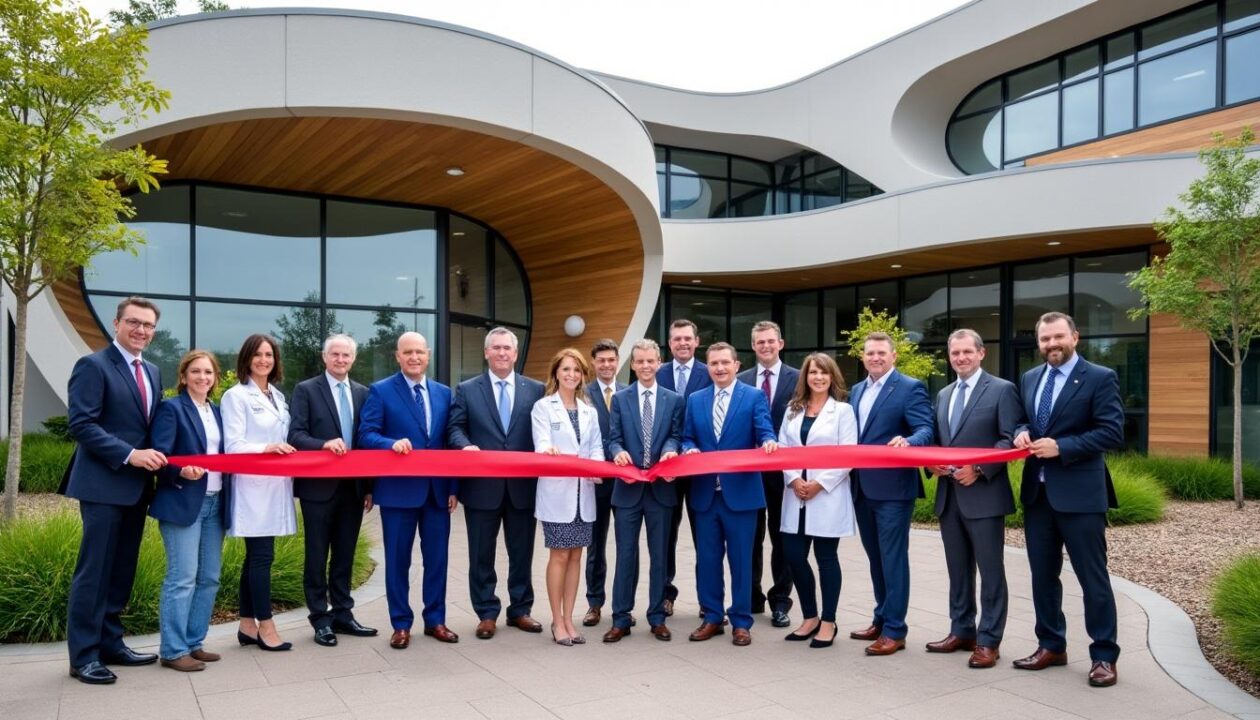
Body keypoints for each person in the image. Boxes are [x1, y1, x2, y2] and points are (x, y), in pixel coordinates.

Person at [1012, 312, 1125, 687]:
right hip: (1038, 494)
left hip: (1080, 494)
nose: (1051, 345)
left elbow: (1111, 431)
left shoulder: (1099, 377)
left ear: (1074, 336)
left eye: (1058, 337)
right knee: (1043, 576)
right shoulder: (1030, 378)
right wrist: (1021, 432)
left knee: (1093, 579)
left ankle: (1104, 655)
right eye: (1045, 339)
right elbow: (1022, 420)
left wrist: (1062, 447)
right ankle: (1051, 645)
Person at [63, 296, 166, 684]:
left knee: (121, 570)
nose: (141, 330)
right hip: (103, 485)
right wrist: (130, 456)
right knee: (94, 572)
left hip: (137, 490)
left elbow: (150, 425)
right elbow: (82, 425)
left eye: (148, 325)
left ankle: (111, 644)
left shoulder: (153, 371)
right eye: (134, 323)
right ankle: (84, 656)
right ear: (116, 323)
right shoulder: (92, 365)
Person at [924, 329, 1021, 669]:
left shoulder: (1002, 390)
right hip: (949, 497)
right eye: (955, 353)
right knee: (958, 571)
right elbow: (938, 439)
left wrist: (979, 468)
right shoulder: (944, 394)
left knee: (991, 572)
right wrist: (929, 461)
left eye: (967, 352)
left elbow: (1010, 439)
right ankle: (961, 630)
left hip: (984, 496)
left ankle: (989, 640)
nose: (961, 358)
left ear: (981, 353)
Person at [358, 332, 459, 648]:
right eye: (408, 352)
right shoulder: (382, 391)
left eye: (419, 352)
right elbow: (366, 434)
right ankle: (401, 624)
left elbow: (448, 442)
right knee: (398, 561)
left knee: (438, 560)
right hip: (398, 492)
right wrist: (390, 444)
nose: (414, 357)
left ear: (428, 355)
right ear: (397, 357)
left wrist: (453, 487)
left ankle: (436, 620)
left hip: (437, 492)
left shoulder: (444, 393)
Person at [448, 326, 547, 639]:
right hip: (482, 489)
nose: (502, 353)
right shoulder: (467, 389)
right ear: (486, 352)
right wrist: (465, 446)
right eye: (497, 348)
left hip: (522, 489)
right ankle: (486, 612)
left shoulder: (536, 389)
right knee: (481, 555)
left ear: (515, 354)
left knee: (522, 553)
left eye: (507, 348)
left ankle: (520, 610)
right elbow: (455, 429)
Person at [681, 342, 777, 646]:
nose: (720, 368)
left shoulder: (753, 396)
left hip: (742, 496)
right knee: (707, 559)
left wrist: (769, 443)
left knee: (741, 561)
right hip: (705, 495)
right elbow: (686, 437)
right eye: (714, 364)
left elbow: (765, 432)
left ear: (736, 365)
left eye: (725, 363)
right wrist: (688, 449)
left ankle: (741, 621)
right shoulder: (695, 400)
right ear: (707, 367)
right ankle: (711, 617)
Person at [287, 334, 377, 647]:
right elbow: (295, 434)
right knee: (316, 555)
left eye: (346, 355)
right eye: (335, 355)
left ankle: (343, 613)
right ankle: (320, 619)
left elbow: (367, 441)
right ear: (325, 357)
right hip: (318, 488)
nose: (340, 360)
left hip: (352, 489)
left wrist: (369, 487)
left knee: (344, 555)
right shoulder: (306, 390)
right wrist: (323, 445)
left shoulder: (364, 393)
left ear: (353, 359)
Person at [848, 331, 934, 656]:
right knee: (875, 558)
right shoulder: (856, 391)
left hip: (894, 490)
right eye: (870, 353)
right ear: (863, 357)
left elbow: (926, 429)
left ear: (893, 356)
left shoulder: (910, 388)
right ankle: (881, 617)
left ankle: (896, 630)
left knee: (893, 558)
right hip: (862, 487)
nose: (876, 358)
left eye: (882, 353)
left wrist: (909, 442)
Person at [150, 350, 230, 672]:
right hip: (182, 501)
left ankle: (194, 643)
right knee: (182, 578)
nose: (202, 378)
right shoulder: (171, 409)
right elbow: (159, 456)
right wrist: (179, 471)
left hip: (215, 501)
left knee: (209, 578)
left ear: (215, 378)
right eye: (195, 372)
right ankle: (172, 650)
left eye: (208, 373)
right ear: (183, 376)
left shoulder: (217, 411)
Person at [603, 339, 684, 643]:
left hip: (661, 491)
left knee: (659, 557)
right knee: (626, 555)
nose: (646, 366)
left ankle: (657, 617)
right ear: (633, 364)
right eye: (640, 361)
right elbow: (612, 439)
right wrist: (618, 452)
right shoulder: (621, 399)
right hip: (627, 491)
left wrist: (670, 451)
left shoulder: (674, 400)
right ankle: (621, 617)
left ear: (659, 363)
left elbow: (676, 436)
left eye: (651, 361)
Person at [221, 333, 297, 652]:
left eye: (269, 354)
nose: (264, 360)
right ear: (246, 359)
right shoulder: (235, 396)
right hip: (252, 488)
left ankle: (246, 625)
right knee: (262, 557)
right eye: (258, 355)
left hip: (276, 486)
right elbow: (233, 445)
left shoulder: (277, 397)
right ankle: (266, 626)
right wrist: (268, 447)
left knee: (257, 557)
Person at [777, 353, 857, 650]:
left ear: (831, 376)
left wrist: (820, 484)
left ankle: (828, 621)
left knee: (826, 560)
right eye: (813, 373)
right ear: (805, 377)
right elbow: (783, 448)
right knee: (794, 556)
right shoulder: (792, 410)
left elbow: (849, 454)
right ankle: (809, 616)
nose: (818, 377)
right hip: (796, 493)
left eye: (824, 373)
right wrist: (795, 479)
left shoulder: (844, 411)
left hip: (827, 496)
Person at [530, 348, 604, 645]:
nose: (571, 375)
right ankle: (556, 621)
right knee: (559, 555)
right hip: (557, 494)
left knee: (577, 557)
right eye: (566, 369)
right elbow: (541, 444)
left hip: (583, 493)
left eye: (577, 370)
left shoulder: (590, 410)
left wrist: (597, 468)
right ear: (556, 373)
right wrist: (549, 452)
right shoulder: (543, 407)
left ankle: (570, 619)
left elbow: (596, 448)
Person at [737, 320, 799, 628]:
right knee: (750, 538)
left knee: (781, 537)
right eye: (760, 342)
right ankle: (751, 597)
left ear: (781, 343)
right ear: (753, 346)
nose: (765, 346)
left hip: (783, 475)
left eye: (770, 341)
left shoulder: (799, 379)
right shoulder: (742, 380)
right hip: (749, 474)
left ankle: (780, 601)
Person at [656, 319, 712, 617]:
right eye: (677, 339)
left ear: (697, 341)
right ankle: (666, 594)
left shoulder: (709, 372)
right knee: (667, 536)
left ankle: (707, 599)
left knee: (705, 537)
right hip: (666, 470)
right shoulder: (657, 371)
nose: (682, 343)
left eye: (687, 338)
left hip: (701, 471)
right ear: (670, 343)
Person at [582, 338, 625, 628]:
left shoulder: (629, 392)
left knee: (626, 546)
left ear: (618, 361)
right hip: (595, 483)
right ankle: (594, 604)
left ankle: (624, 605)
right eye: (601, 361)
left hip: (624, 483)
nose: (607, 365)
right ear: (594, 364)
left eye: (611, 360)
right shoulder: (583, 394)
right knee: (595, 547)